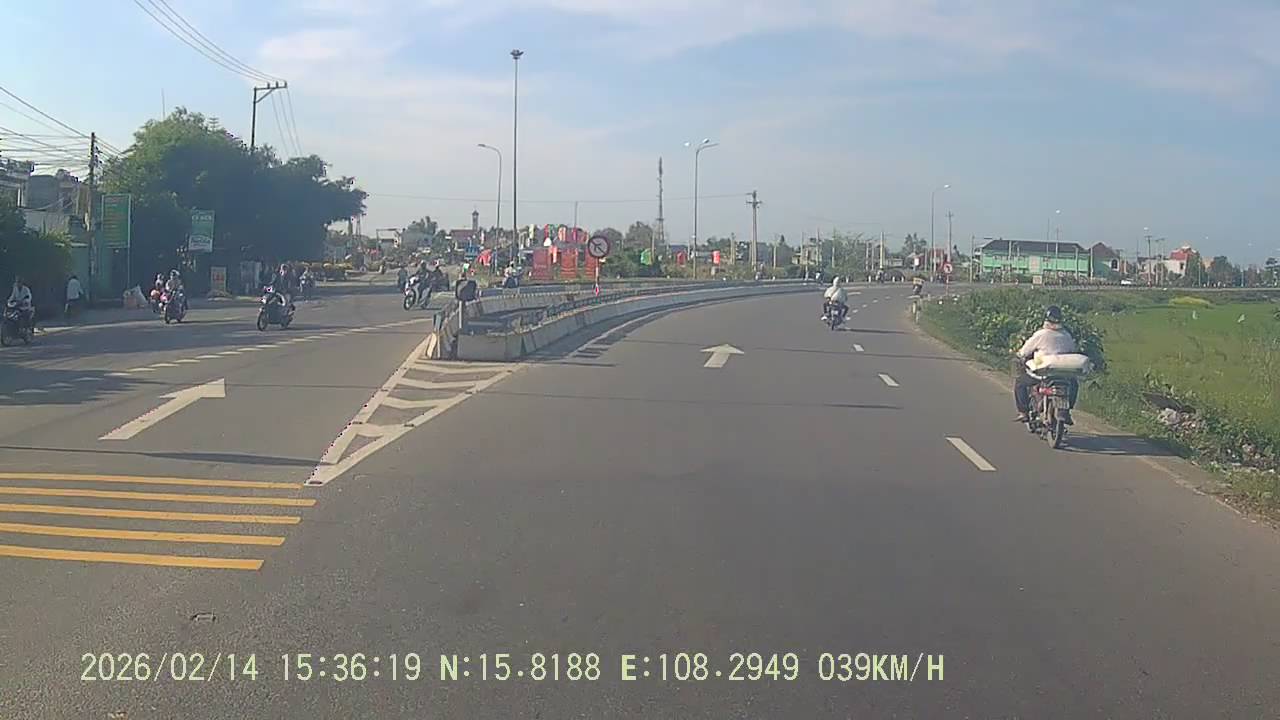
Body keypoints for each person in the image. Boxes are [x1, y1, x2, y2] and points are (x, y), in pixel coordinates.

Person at [1014, 305, 1079, 421]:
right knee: (1074, 384)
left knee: (1020, 383)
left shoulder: (1041, 334)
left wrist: (1020, 356)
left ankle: (1023, 412)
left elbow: (1024, 351)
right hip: (1063, 374)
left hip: (1043, 374)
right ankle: (1067, 411)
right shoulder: (1066, 335)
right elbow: (1072, 352)